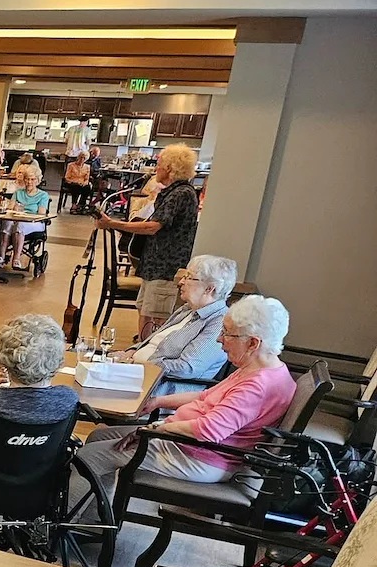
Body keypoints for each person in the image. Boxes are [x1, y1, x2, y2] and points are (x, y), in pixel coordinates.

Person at [72, 295, 297, 513]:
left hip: (200, 456)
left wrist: (156, 428)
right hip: (189, 445)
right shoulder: (262, 369)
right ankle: (93, 518)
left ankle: (63, 522)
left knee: (88, 457)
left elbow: (208, 430)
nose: (219, 339)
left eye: (227, 333)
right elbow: (206, 396)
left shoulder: (257, 386)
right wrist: (158, 401)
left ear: (253, 343)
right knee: (98, 436)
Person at [96, 143, 201, 338]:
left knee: (157, 315)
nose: (155, 168)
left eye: (159, 164)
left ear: (170, 168)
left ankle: (150, 349)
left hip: (166, 266)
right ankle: (143, 345)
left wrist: (113, 224)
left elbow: (153, 226)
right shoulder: (172, 192)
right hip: (155, 265)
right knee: (145, 309)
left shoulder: (181, 193)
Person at [116, 255, 234, 397]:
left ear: (209, 288)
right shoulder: (187, 309)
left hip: (159, 390)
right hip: (136, 375)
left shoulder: (219, 322)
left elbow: (188, 368)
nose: (181, 282)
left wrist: (140, 365)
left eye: (189, 277)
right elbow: (154, 341)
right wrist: (130, 352)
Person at [0, 165, 49, 271]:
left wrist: (22, 211)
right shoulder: (18, 193)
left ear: (38, 180)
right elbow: (10, 209)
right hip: (16, 219)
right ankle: (1, 257)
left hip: (34, 223)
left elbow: (41, 214)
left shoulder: (43, 195)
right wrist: (14, 208)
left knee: (20, 225)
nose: (29, 182)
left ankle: (16, 259)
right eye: (27, 179)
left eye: (32, 179)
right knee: (7, 223)